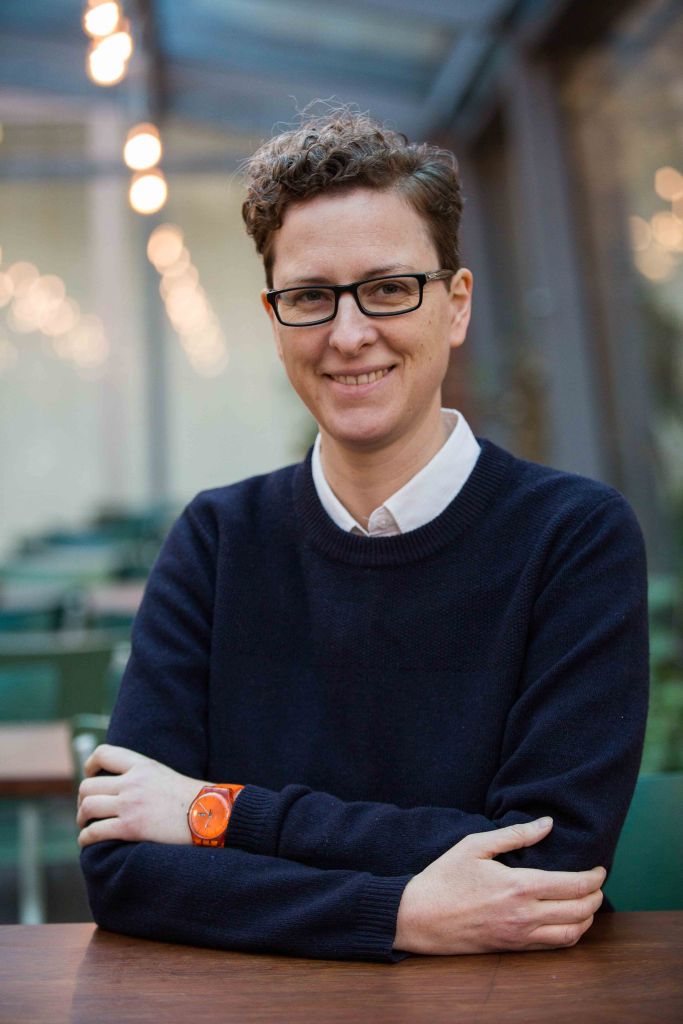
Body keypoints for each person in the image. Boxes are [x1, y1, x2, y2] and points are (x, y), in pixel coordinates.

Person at [77, 108, 649, 963]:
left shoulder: (572, 538)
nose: (348, 335)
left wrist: (219, 813)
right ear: (275, 320)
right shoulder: (217, 540)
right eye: (310, 297)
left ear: (454, 307)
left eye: (388, 288)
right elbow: (125, 869)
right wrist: (397, 913)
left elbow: (543, 866)